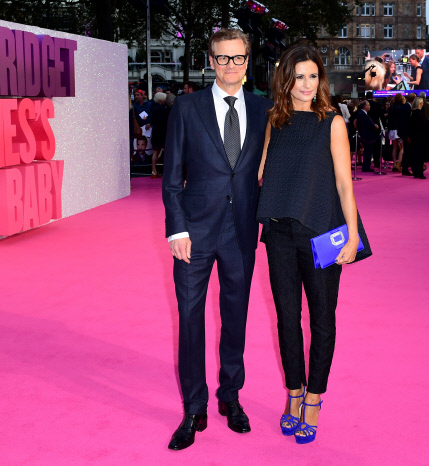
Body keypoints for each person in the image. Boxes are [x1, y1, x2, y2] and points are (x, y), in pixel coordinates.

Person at [162, 28, 273, 451]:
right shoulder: (187, 108)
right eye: (223, 58)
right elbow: (172, 178)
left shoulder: (265, 109)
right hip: (194, 232)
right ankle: (194, 407)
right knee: (190, 319)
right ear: (211, 61)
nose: (231, 66)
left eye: (238, 58)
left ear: (248, 61)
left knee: (236, 318)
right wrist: (177, 228)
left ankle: (231, 396)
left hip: (242, 230)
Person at [256, 44, 371, 445]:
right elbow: (262, 171)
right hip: (279, 232)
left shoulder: (332, 121)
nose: (307, 84)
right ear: (285, 80)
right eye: (299, 77)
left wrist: (353, 234)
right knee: (287, 317)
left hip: (323, 233)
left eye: (313, 76)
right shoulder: (275, 120)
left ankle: (315, 398)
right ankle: (293, 391)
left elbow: (343, 182)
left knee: (322, 318)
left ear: (321, 79)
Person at [149, 92, 169, 177]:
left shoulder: (152, 107)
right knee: (167, 152)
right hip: (163, 132)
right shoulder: (164, 109)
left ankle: (154, 170)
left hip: (155, 131)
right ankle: (168, 171)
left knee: (156, 151)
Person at [356, 100, 379, 172]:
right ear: (365, 106)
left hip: (367, 135)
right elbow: (367, 124)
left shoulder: (363, 113)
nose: (370, 106)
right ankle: (366, 167)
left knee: (368, 151)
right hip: (367, 135)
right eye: (368, 105)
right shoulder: (362, 114)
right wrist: (374, 126)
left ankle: (366, 166)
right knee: (367, 151)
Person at [407, 97, 428, 179]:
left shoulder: (412, 113)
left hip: (413, 136)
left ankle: (415, 172)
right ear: (419, 104)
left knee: (414, 155)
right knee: (420, 155)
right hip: (420, 137)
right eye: (422, 103)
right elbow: (424, 125)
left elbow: (409, 126)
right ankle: (420, 172)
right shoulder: (420, 113)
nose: (423, 104)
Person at [388, 93, 405, 172]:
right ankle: (399, 164)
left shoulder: (391, 107)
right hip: (400, 129)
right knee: (402, 148)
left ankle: (394, 164)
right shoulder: (402, 107)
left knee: (394, 147)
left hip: (392, 129)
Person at [400, 93, 415, 176]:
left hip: (404, 132)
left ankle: (406, 168)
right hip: (407, 133)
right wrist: (408, 135)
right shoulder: (407, 108)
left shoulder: (404, 106)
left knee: (407, 151)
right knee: (407, 151)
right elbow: (406, 123)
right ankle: (405, 169)